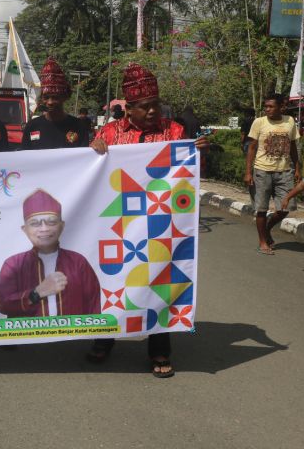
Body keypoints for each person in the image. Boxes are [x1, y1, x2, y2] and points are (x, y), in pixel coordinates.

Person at [90, 62, 210, 378]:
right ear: (128, 108)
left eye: (156, 105)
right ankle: (104, 340)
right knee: (113, 282)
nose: (153, 112)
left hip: (160, 224)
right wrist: (93, 149)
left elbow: (186, 173)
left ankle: (159, 350)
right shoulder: (109, 134)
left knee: (159, 281)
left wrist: (195, 153)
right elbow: (89, 171)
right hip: (117, 224)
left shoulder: (175, 132)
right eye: (145, 107)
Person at [0, 189, 101, 318]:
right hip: (28, 336)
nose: (44, 229)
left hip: (72, 336)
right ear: (25, 229)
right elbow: (2, 303)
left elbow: (93, 306)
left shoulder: (78, 262)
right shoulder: (14, 264)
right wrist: (37, 293)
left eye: (51, 222)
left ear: (61, 226)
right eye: (35, 223)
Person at [244, 93, 301, 255]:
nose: (267, 109)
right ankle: (262, 242)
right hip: (262, 171)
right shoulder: (259, 122)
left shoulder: (289, 121)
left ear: (281, 107)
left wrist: (297, 168)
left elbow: (293, 147)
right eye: (266, 106)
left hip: (284, 172)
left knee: (285, 208)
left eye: (271, 106)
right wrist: (248, 172)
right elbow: (252, 147)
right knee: (261, 209)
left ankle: (267, 228)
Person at [20, 57, 91, 150]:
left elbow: (85, 159)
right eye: (46, 97)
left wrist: (95, 149)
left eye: (55, 97)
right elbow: (25, 158)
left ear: (64, 97)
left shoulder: (78, 126)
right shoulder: (32, 126)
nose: (50, 102)